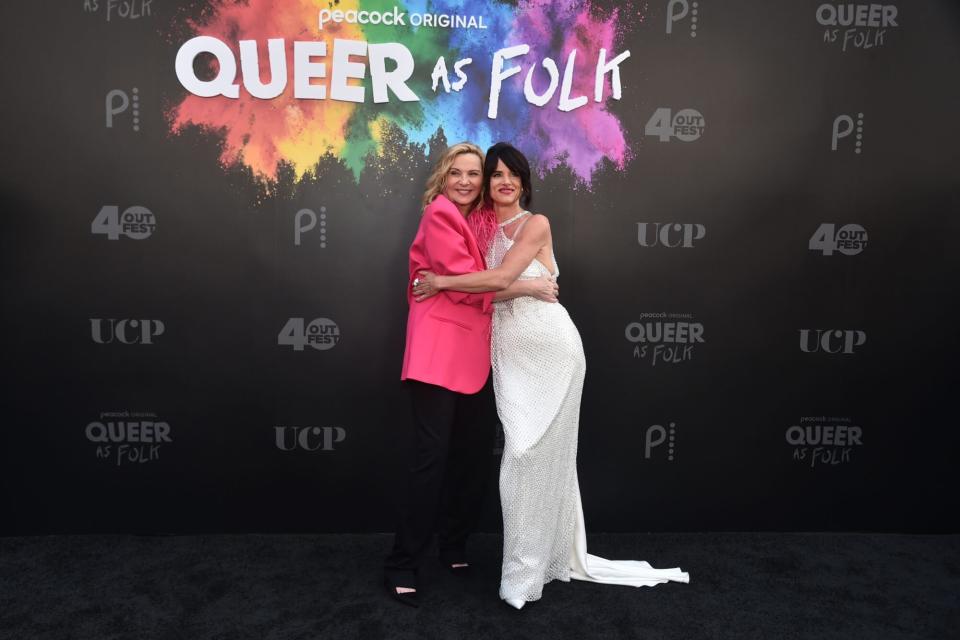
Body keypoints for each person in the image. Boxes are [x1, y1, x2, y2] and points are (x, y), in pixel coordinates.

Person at [414, 142, 689, 609]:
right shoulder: (474, 226)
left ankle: (524, 576)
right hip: (505, 349)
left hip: (551, 349)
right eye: (494, 174)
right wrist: (523, 286)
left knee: (532, 455)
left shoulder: (535, 223)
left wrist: (440, 281)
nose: (503, 182)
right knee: (523, 454)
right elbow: (487, 292)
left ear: (523, 181)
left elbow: (498, 280)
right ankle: (539, 559)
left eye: (511, 174)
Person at [384, 142, 559, 608]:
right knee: (431, 461)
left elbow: (477, 282)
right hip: (438, 353)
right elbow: (469, 283)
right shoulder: (440, 215)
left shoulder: (477, 222)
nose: (466, 181)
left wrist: (497, 281)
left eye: (473, 175)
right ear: (443, 179)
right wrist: (530, 286)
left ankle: (454, 544)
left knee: (471, 457)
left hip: (476, 356)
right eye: (456, 173)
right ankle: (402, 563)